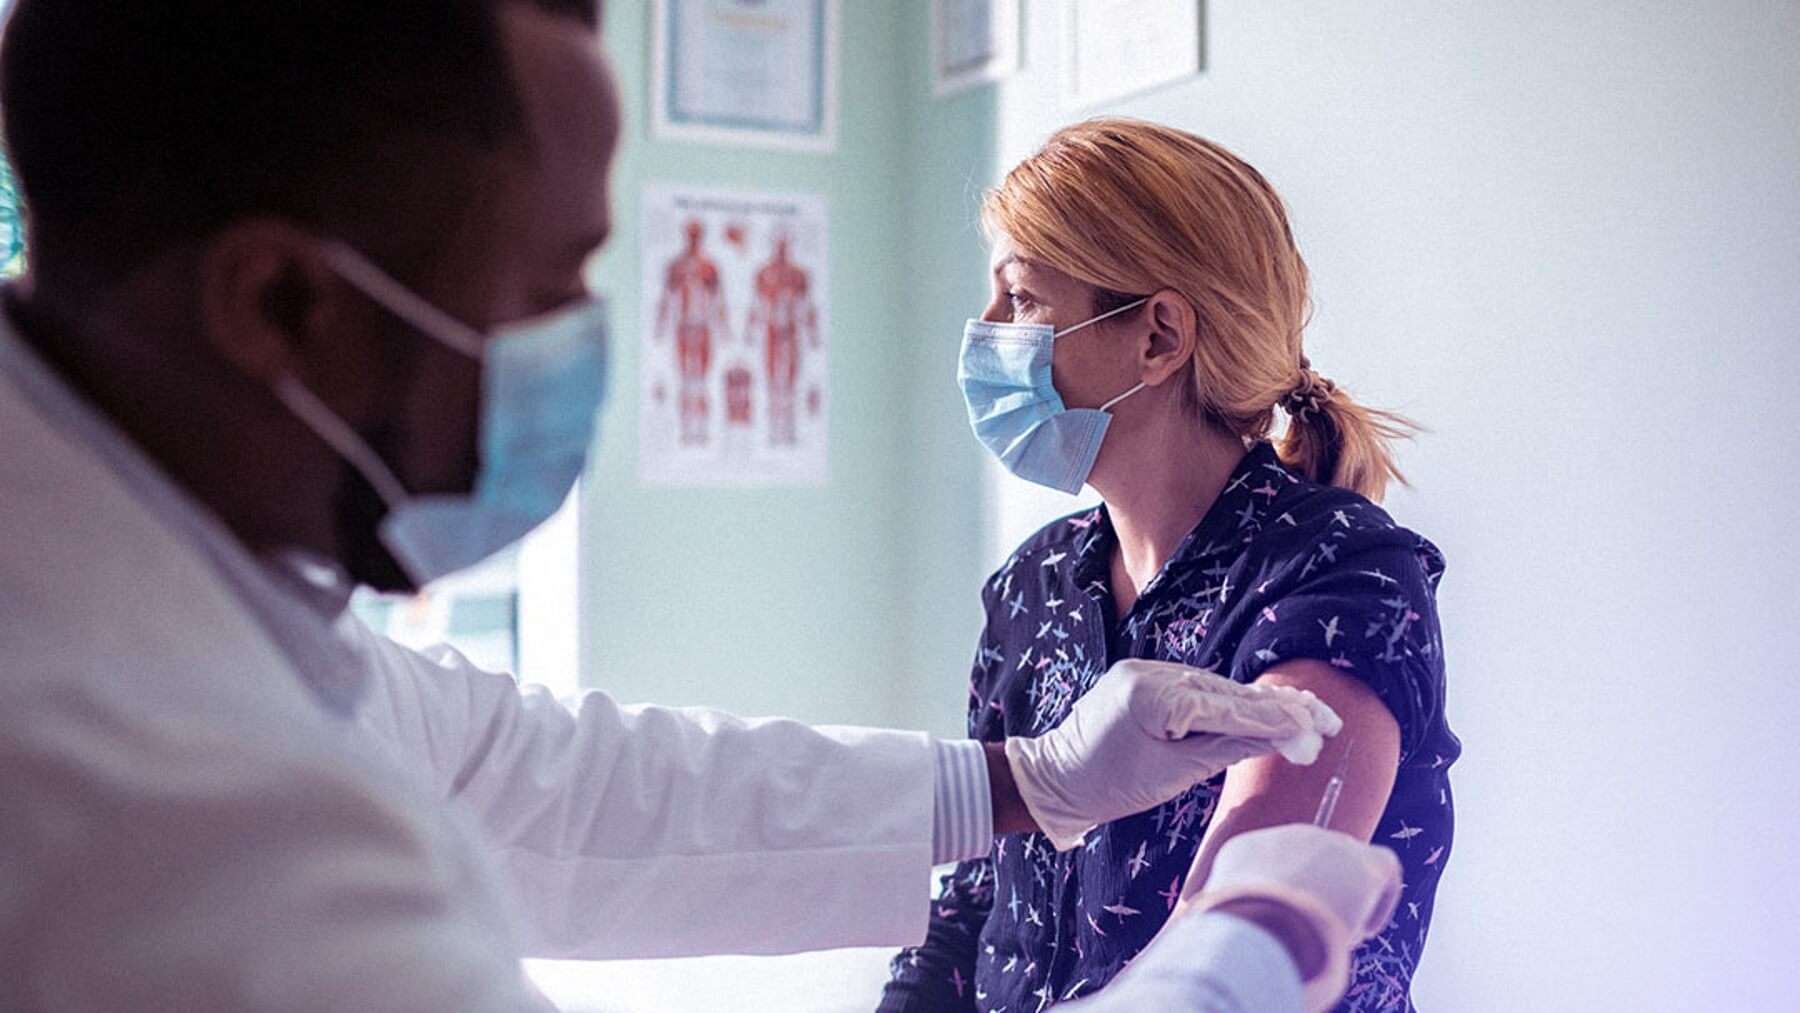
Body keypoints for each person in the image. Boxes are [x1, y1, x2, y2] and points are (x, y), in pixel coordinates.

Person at [0, 5, 1354, 1011]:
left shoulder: (183, 584)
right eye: (550, 279)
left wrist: (1027, 781)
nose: (595, 339)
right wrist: (1231, 967)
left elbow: (538, 782)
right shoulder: (133, 799)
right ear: (281, 304)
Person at [880, 120, 1461, 1012]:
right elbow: (970, 910)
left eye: (1023, 298)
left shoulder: (1339, 578)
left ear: (1157, 336)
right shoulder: (1031, 587)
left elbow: (1239, 939)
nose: (987, 330)